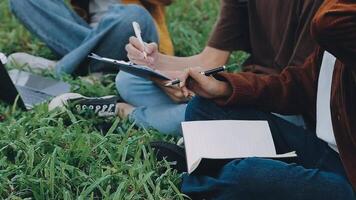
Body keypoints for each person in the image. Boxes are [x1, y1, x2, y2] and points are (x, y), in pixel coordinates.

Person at [164, 0, 355, 198]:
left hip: (348, 180)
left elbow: (327, 23)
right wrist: (222, 88)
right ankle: (211, 169)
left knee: (250, 172)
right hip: (323, 149)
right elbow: (295, 86)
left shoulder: (339, 19)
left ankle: (196, 176)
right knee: (203, 107)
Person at [51, 0, 323, 135]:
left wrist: (223, 90)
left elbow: (297, 88)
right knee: (128, 80)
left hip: (287, 105)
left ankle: (124, 113)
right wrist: (154, 65)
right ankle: (188, 117)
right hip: (245, 88)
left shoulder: (322, 7)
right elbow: (210, 61)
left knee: (200, 110)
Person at [8, 0, 173, 75]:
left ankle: (61, 68)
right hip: (84, 34)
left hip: (132, 36)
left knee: (134, 14)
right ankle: (97, 68)